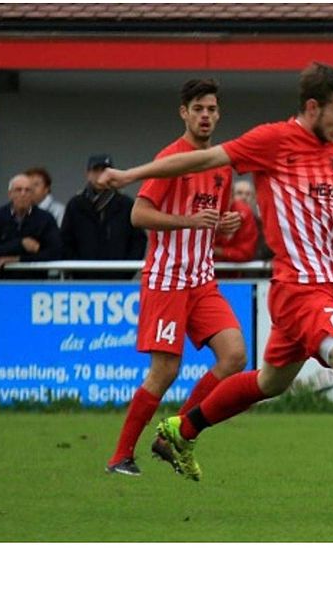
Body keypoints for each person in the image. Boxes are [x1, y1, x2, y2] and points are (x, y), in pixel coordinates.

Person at [100, 62, 333, 481]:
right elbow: (202, 158)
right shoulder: (272, 140)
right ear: (313, 107)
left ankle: (181, 431)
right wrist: (130, 174)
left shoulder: (329, 149)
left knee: (269, 382)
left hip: (317, 287)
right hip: (299, 290)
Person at [106, 78, 248, 476]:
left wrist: (224, 224)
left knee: (235, 355)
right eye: (198, 109)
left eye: (212, 109)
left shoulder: (219, 165)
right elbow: (139, 215)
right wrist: (189, 220)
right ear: (183, 113)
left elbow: (208, 219)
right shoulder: (170, 158)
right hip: (167, 280)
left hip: (202, 280)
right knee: (165, 371)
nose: (206, 116)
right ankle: (121, 456)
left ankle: (176, 433)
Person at [60, 154, 147, 280]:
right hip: (82, 281)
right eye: (96, 170)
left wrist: (126, 271)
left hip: (119, 280)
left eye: (105, 171)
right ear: (88, 174)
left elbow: (138, 240)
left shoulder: (125, 204)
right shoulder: (76, 205)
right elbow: (65, 240)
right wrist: (76, 269)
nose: (100, 175)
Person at [0, 173, 63, 279]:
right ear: (10, 194)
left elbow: (55, 252)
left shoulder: (46, 219)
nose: (23, 194)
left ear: (32, 195)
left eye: (27, 190)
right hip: (2, 283)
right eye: (18, 190)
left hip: (35, 285)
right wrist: (21, 244)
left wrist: (18, 259)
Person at [213, 177, 272, 275]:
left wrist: (216, 250)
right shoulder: (202, 210)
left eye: (248, 194)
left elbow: (246, 253)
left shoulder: (250, 217)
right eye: (239, 193)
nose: (244, 197)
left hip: (239, 275)